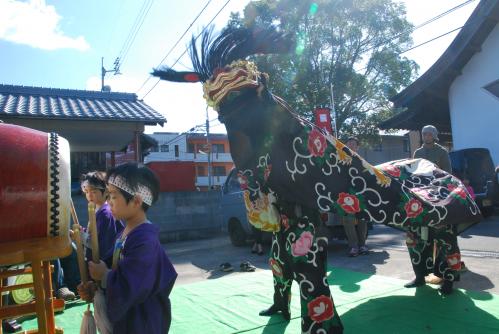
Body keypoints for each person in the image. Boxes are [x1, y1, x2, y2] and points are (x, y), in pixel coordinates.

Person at [78, 163, 177, 333]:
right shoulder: (125, 232)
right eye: (108, 195)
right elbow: (115, 267)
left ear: (136, 201)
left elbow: (133, 285)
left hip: (142, 320)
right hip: (130, 318)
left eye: (113, 196)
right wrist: (97, 285)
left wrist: (104, 276)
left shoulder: (144, 240)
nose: (108, 201)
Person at [405, 125, 462, 295]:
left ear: (435, 135)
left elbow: (447, 175)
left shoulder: (442, 152)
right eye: (424, 133)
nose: (426, 135)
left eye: (429, 133)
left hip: (440, 198)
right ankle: (420, 275)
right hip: (421, 200)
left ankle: (448, 279)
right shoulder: (418, 153)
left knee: (446, 240)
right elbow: (412, 174)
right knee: (416, 238)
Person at [80, 171, 125, 267]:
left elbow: (101, 245)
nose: (89, 195)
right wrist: (83, 231)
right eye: (87, 192)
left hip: (103, 265)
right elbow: (95, 234)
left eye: (93, 191)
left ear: (105, 192)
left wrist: (81, 236)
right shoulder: (97, 209)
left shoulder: (106, 214)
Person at [342, 137, 369, 257]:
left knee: (362, 220)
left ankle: (362, 245)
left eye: (353, 144)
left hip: (361, 194)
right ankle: (353, 246)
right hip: (346, 195)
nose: (351, 145)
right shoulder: (341, 159)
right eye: (349, 144)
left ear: (357, 147)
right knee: (348, 221)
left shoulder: (362, 161)